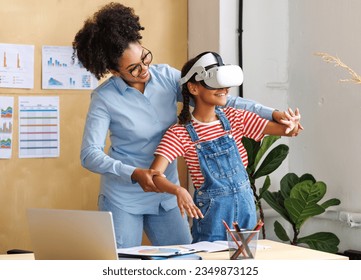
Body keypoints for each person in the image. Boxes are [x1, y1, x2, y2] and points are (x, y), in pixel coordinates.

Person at [73, 2, 299, 248]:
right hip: (123, 196)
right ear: (114, 72)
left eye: (144, 58)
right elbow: (89, 155)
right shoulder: (105, 98)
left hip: (168, 193)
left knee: (185, 258)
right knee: (124, 266)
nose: (144, 69)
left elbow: (223, 99)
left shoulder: (167, 77)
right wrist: (134, 173)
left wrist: (274, 113)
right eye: (133, 69)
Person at [149, 51, 301, 242]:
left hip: (246, 211)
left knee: (244, 266)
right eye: (215, 84)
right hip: (212, 215)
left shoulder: (235, 117)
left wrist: (292, 124)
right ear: (194, 88)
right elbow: (154, 175)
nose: (225, 89)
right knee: (212, 266)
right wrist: (178, 190)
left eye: (224, 84)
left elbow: (287, 131)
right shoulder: (179, 133)